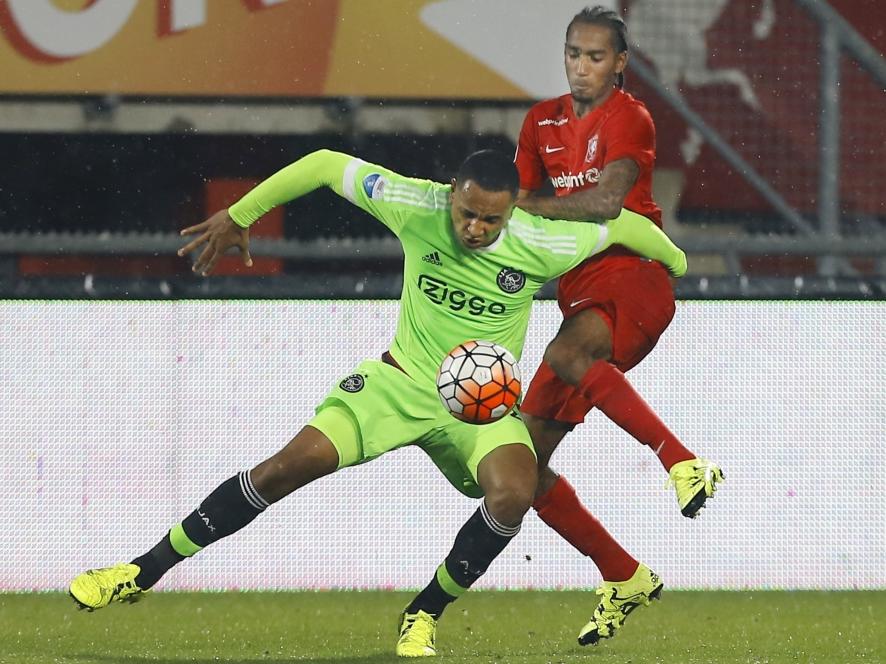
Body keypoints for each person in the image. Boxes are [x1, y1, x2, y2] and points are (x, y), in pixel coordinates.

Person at [67, 148, 686, 658]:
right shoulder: (413, 203)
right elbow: (323, 163)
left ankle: (424, 614)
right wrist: (242, 212)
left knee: (514, 493)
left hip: (480, 410)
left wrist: (676, 259)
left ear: (510, 215)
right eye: (467, 213)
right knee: (282, 469)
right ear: (451, 195)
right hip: (397, 385)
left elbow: (626, 227)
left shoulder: (542, 243)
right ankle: (138, 572)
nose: (475, 229)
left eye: (489, 222)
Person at [513, 5, 725, 645]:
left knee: (568, 355)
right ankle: (622, 573)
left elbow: (606, 202)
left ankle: (683, 462)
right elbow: (518, 213)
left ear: (621, 63)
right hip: (579, 293)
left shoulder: (630, 116)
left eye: (595, 56)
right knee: (519, 467)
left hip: (634, 277)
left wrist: (532, 207)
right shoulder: (539, 121)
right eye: (573, 53)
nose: (581, 66)